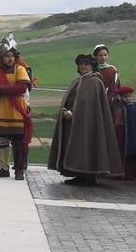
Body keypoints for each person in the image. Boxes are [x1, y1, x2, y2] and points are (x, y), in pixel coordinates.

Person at [48, 54, 122, 186]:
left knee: (89, 146)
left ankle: (89, 176)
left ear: (92, 66)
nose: (83, 66)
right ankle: (79, 175)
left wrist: (75, 114)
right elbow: (72, 100)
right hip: (73, 123)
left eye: (86, 64)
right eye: (81, 64)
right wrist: (64, 111)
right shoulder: (77, 81)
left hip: (89, 124)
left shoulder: (95, 82)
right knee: (77, 149)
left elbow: (91, 107)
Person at [0, 38, 33, 180]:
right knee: (1, 141)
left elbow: (22, 87)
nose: (10, 59)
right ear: (1, 57)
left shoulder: (19, 69)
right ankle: (4, 168)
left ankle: (19, 170)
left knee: (18, 141)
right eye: (7, 56)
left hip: (16, 110)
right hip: (0, 109)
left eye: (12, 56)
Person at [111, 85, 136, 180]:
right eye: (125, 97)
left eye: (129, 96)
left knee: (128, 153)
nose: (128, 99)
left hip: (129, 134)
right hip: (119, 132)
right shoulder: (117, 106)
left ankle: (129, 172)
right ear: (120, 97)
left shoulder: (132, 108)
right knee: (119, 152)